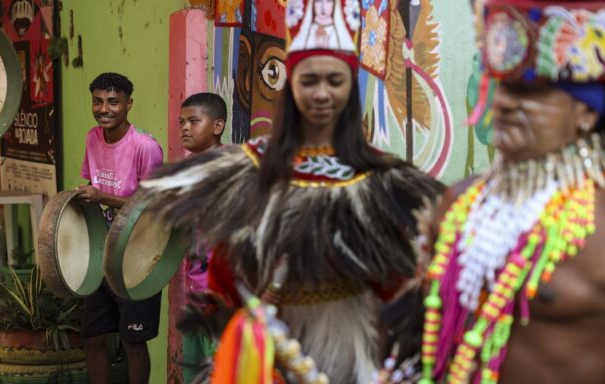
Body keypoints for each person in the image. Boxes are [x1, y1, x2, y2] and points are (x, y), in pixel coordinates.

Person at [136, 1, 444, 382]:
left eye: (335, 81)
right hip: (271, 353)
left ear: (350, 88)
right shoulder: (248, 168)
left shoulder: (378, 175)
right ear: (291, 84)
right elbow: (225, 272)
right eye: (308, 80)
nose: (321, 94)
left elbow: (393, 280)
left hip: (356, 352)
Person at [378, 1, 605, 383]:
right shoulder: (460, 204)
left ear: (586, 113)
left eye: (528, 93)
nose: (501, 103)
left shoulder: (597, 225)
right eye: (499, 88)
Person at [77, 72, 164, 384]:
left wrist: (102, 197)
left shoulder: (146, 147)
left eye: (113, 102)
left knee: (133, 340)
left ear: (129, 104)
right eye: (98, 101)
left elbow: (151, 207)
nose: (104, 108)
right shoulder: (92, 138)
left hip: (139, 257)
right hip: (103, 253)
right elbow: (92, 183)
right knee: (93, 335)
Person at [170, 92, 227, 383]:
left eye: (194, 121)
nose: (185, 128)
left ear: (217, 126)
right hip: (194, 294)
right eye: (181, 122)